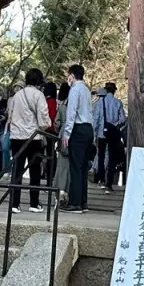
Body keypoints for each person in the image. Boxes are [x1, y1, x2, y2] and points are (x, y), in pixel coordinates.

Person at [5, 69, 49, 213]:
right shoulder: (39, 95)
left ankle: (14, 203)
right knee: (35, 170)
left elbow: (10, 115)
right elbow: (43, 119)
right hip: (33, 137)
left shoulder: (17, 95)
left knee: (17, 169)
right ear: (38, 81)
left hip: (17, 136)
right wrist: (45, 125)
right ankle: (34, 203)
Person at [59, 64, 92, 213]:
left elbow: (71, 114)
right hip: (88, 129)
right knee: (83, 167)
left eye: (69, 75)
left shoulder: (74, 90)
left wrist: (67, 133)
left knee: (75, 167)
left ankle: (75, 203)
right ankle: (83, 202)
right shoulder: (86, 90)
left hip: (77, 129)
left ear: (72, 75)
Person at [92, 82, 127, 192]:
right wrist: (115, 125)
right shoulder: (118, 102)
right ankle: (109, 183)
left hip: (102, 133)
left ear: (106, 91)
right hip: (114, 132)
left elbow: (96, 119)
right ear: (114, 91)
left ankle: (101, 180)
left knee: (101, 156)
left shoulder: (100, 102)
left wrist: (94, 133)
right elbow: (123, 119)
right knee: (112, 158)